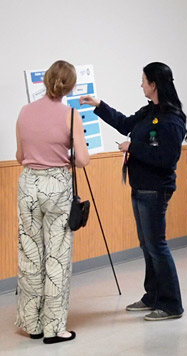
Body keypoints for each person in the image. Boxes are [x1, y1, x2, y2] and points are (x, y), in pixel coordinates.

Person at [80, 62, 187, 321]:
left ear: (153, 84)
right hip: (140, 188)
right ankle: (152, 296)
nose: (140, 85)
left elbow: (166, 157)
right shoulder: (149, 111)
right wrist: (98, 105)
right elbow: (124, 123)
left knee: (157, 246)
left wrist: (133, 147)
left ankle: (172, 304)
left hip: (155, 190)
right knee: (147, 245)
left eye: (143, 81)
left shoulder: (171, 118)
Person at [16, 60, 89, 344]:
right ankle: (54, 328)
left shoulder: (24, 112)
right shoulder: (71, 116)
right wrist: (62, 155)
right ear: (70, 86)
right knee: (56, 255)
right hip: (56, 186)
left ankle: (31, 323)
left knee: (30, 254)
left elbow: (21, 156)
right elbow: (82, 160)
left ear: (46, 80)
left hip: (28, 185)